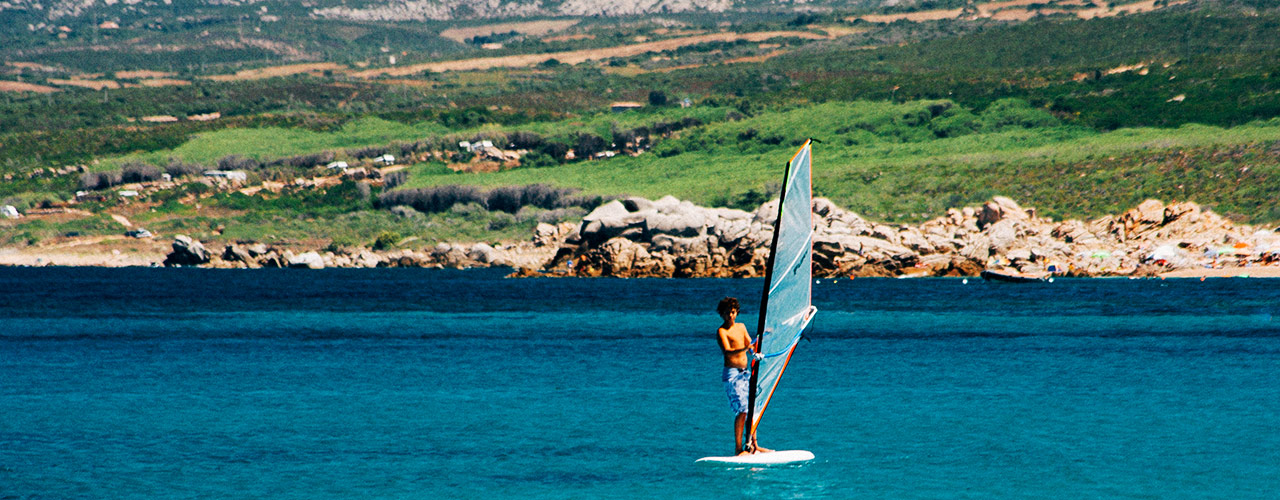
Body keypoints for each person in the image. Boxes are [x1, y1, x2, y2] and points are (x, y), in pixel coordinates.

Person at [716, 297, 772, 456]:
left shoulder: (741, 327)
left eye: (733, 312)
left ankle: (754, 445)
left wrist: (756, 352)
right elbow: (727, 351)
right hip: (732, 375)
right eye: (727, 313)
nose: (730, 316)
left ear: (737, 313)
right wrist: (745, 348)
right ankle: (738, 448)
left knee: (753, 409)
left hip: (745, 374)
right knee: (742, 411)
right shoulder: (722, 331)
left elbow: (750, 346)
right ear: (722, 314)